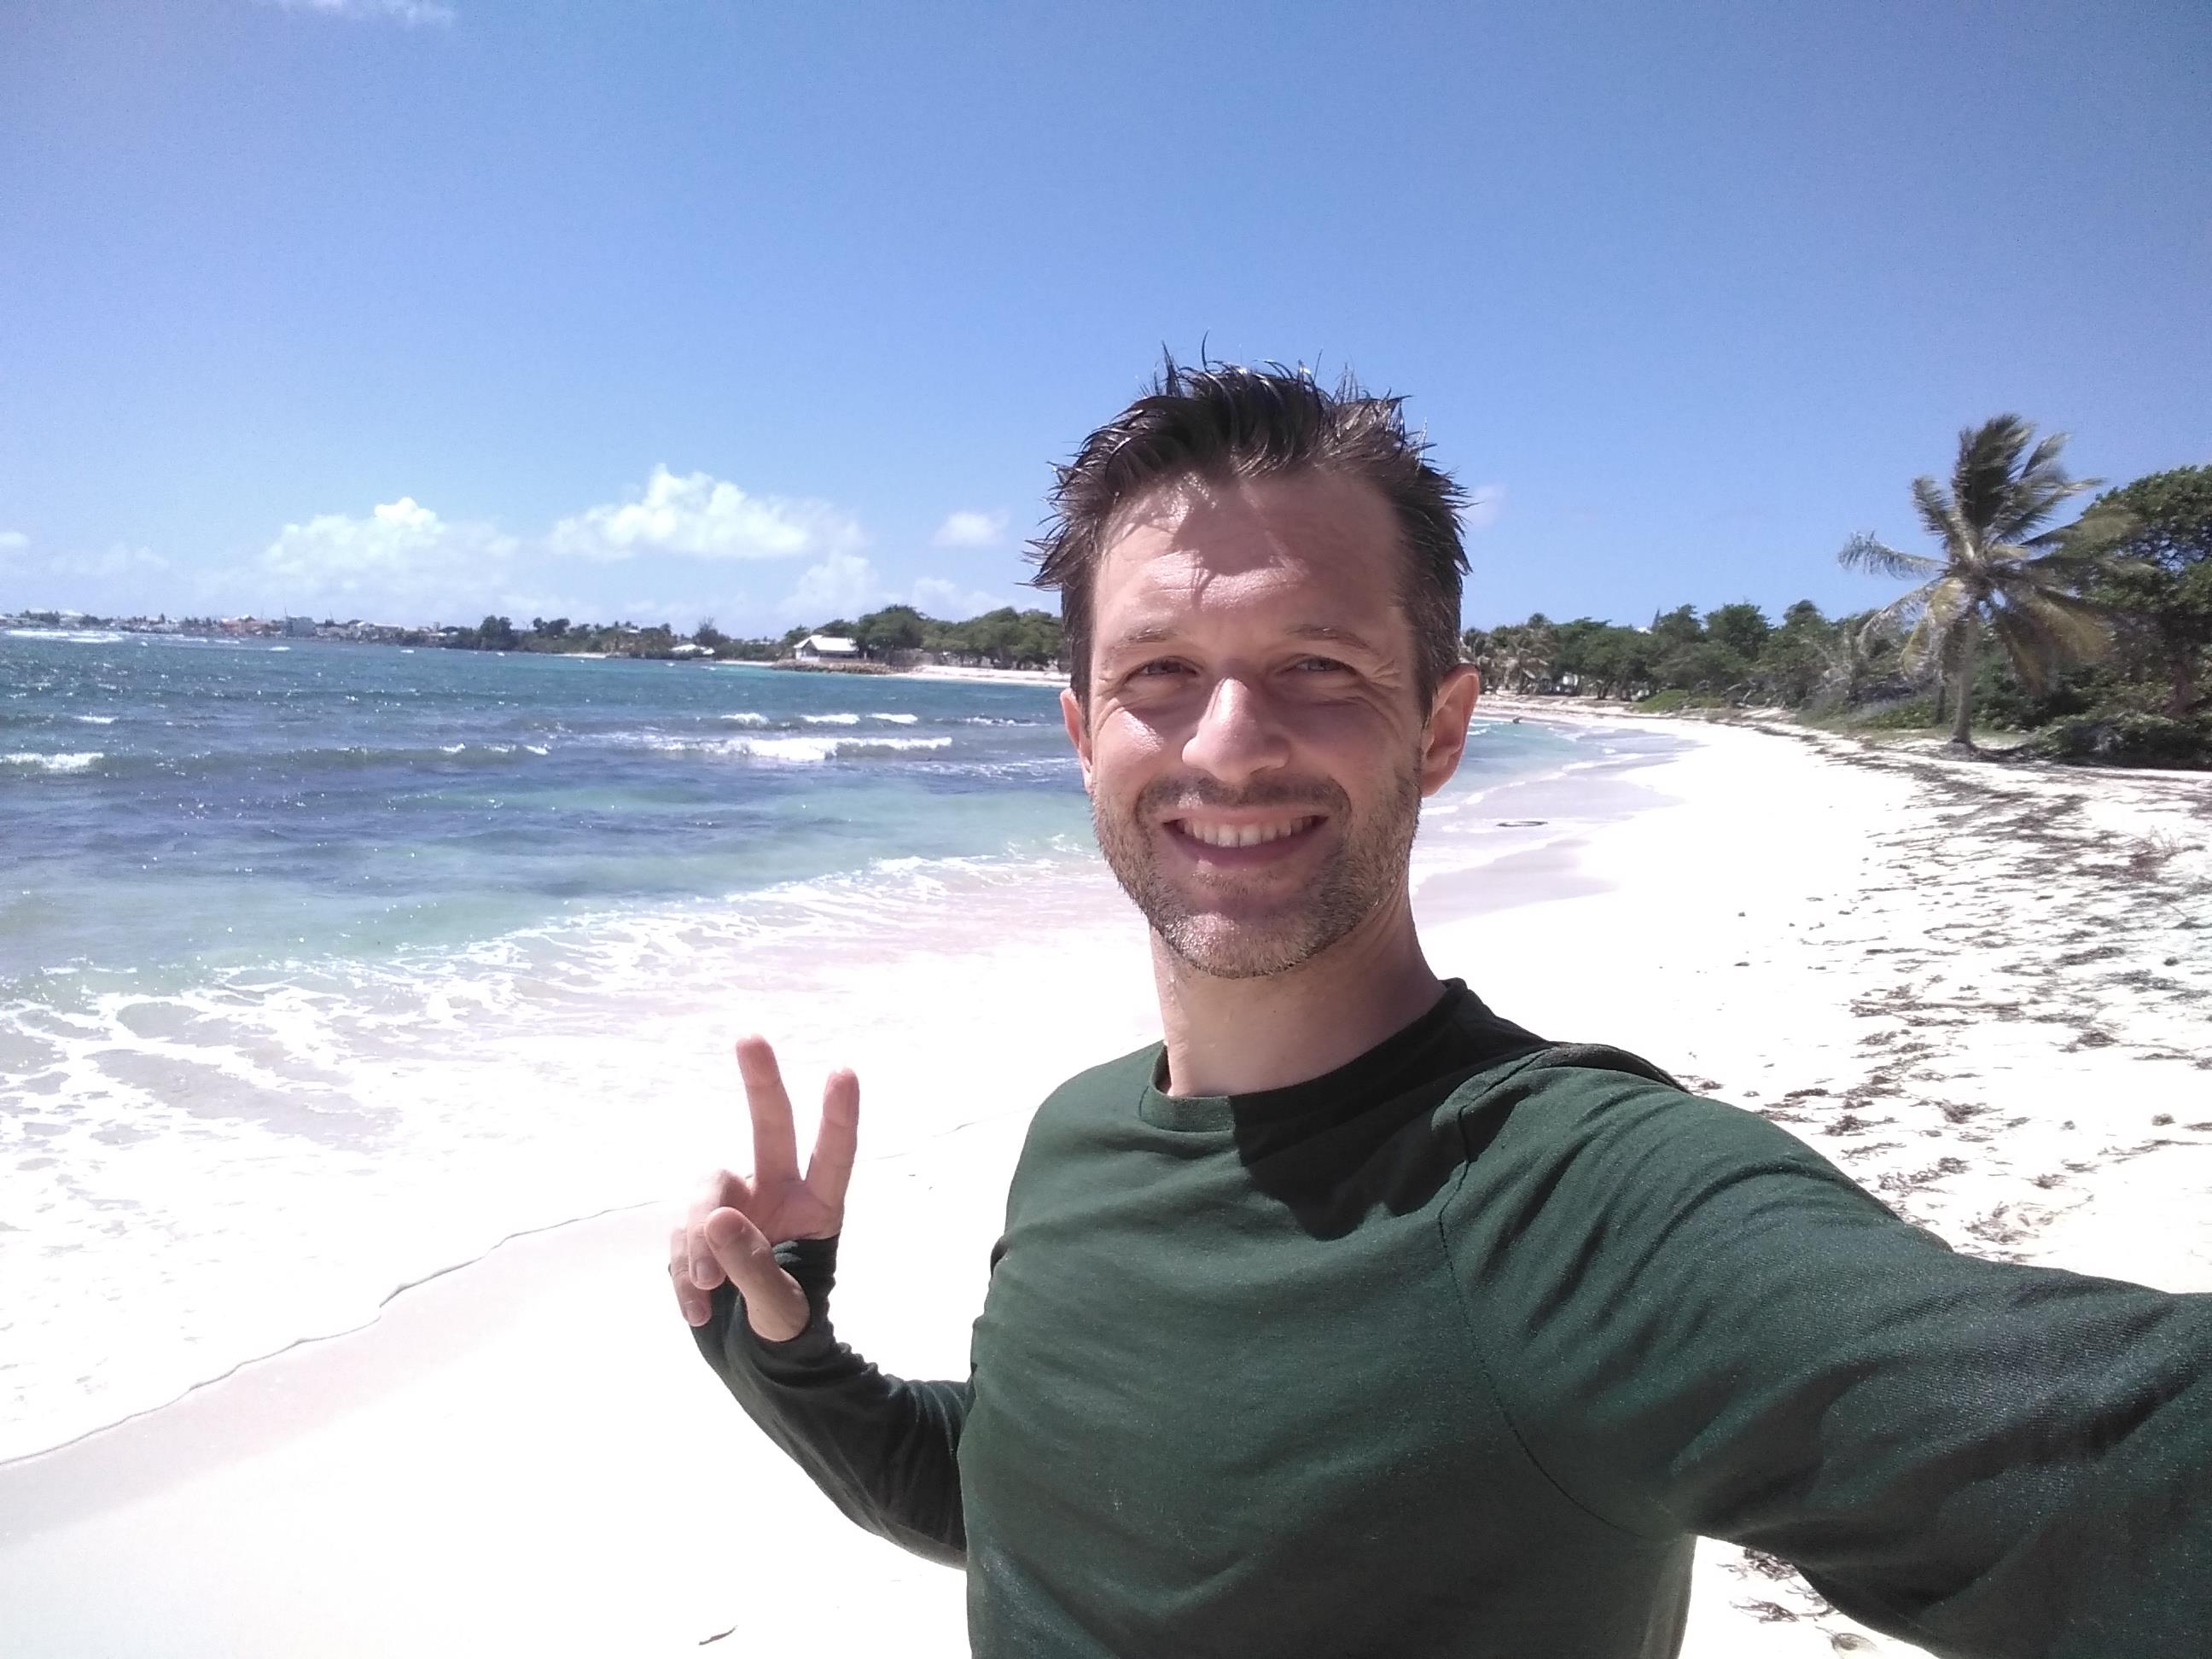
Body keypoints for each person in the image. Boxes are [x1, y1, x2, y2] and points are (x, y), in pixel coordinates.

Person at [667, 361, 2210, 1658]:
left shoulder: (1573, 1207)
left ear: (1443, 727)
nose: (1229, 744)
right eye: (1159, 673)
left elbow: (2115, 1470)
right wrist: (783, 1351)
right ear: (1083, 732)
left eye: (1317, 665)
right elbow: (1024, 1513)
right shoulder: (1074, 1137)